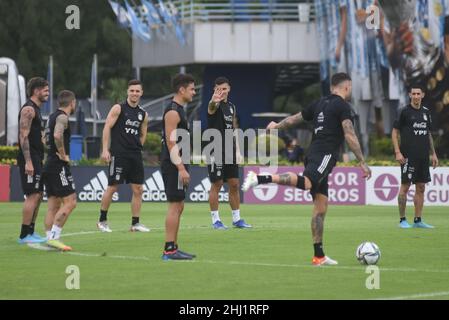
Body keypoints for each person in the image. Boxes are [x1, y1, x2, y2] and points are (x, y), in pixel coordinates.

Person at [242, 73, 371, 266]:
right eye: (350, 88)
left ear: (331, 87)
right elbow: (349, 133)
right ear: (347, 87)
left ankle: (319, 256)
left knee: (321, 207)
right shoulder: (343, 106)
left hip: (313, 153)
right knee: (307, 182)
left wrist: (276, 125)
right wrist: (361, 161)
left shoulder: (319, 103)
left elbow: (295, 119)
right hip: (325, 154)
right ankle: (261, 179)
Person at [97, 80, 150, 232]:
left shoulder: (143, 114)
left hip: (135, 156)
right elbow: (107, 127)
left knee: (139, 189)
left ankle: (135, 224)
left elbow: (143, 133)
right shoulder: (118, 108)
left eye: (137, 91)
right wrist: (105, 150)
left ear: (141, 93)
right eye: (132, 90)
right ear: (128, 92)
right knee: (113, 187)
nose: (134, 93)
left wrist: (137, 146)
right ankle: (102, 221)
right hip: (119, 154)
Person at [207, 77, 251, 230]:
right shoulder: (213, 105)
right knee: (217, 184)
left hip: (230, 149)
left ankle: (237, 219)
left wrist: (238, 151)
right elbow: (212, 107)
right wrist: (214, 100)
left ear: (229, 89)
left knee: (234, 184)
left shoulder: (231, 106)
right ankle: (216, 220)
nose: (222, 92)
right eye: (219, 89)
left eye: (224, 89)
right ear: (215, 90)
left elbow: (234, 129)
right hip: (215, 148)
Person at [391, 85, 439, 229]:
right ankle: (402, 220)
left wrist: (433, 153)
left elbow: (428, 133)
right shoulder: (404, 111)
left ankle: (418, 220)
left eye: (419, 93)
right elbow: (394, 133)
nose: (416, 96)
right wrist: (397, 152)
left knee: (421, 187)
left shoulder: (426, 112)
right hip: (408, 156)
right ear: (410, 95)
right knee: (405, 186)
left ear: (422, 95)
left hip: (423, 156)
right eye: (414, 94)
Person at [161, 74, 196, 260]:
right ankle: (168, 250)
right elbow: (171, 142)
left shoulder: (180, 110)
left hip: (180, 163)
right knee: (175, 206)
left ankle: (174, 247)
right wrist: (181, 168)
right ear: (181, 90)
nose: (194, 92)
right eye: (191, 88)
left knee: (179, 205)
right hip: (174, 164)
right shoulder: (173, 111)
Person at [43, 90, 78, 251]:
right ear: (72, 103)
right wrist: (63, 155)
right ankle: (54, 237)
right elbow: (57, 136)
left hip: (48, 163)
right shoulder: (63, 117)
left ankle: (49, 237)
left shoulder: (51, 116)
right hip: (58, 165)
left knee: (53, 205)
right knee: (70, 202)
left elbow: (45, 139)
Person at [17, 77, 49, 244]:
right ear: (36, 91)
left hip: (37, 157)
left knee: (38, 194)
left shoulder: (37, 109)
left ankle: (31, 231)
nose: (48, 93)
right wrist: (28, 161)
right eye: (45, 90)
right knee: (32, 195)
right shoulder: (28, 109)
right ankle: (24, 235)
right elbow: (23, 136)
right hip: (29, 158)